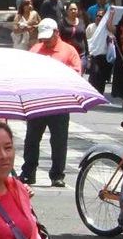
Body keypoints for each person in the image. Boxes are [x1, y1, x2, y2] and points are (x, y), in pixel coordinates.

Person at [21, 18, 82, 186]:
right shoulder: (35, 50)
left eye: (49, 37)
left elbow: (77, 72)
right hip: (38, 100)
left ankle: (57, 175)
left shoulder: (69, 51)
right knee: (32, 138)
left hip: (60, 102)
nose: (46, 42)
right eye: (43, 39)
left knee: (59, 140)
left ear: (57, 33)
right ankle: (28, 172)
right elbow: (25, 71)